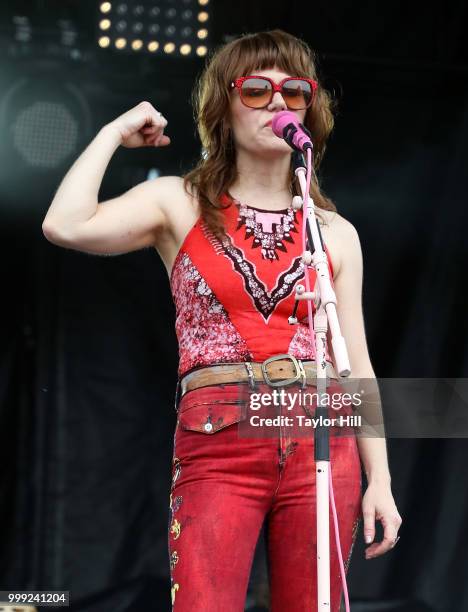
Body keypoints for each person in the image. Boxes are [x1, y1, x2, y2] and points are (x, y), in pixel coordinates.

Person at [42, 29, 402, 612]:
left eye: (295, 91)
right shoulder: (177, 203)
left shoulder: (335, 233)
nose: (279, 102)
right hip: (220, 440)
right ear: (223, 106)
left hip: (322, 440)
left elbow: (356, 363)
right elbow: (65, 224)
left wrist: (380, 481)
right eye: (257, 89)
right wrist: (113, 132)